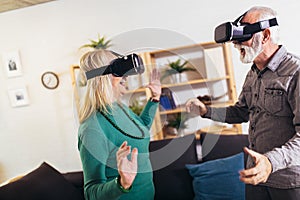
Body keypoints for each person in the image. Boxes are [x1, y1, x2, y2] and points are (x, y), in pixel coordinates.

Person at [186, 6, 300, 200]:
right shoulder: (253, 73)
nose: (236, 45)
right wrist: (206, 111)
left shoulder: (295, 72)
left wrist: (270, 162)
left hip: (287, 181)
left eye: (243, 38)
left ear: (265, 35)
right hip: (255, 178)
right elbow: (241, 113)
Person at [77, 49, 161, 200]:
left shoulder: (119, 108)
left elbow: (140, 132)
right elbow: (91, 193)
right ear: (103, 76)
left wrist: (154, 99)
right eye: (119, 70)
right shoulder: (92, 128)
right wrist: (122, 183)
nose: (125, 77)